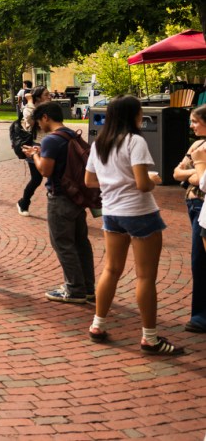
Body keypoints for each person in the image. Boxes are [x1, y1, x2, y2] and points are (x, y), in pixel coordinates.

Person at [85, 95, 182, 355]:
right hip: (139, 212)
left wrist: (115, 181)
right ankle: (150, 338)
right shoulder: (135, 141)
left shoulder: (100, 144)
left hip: (111, 212)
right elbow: (142, 184)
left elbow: (90, 181)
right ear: (133, 116)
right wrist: (153, 178)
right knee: (145, 276)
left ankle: (98, 324)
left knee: (111, 269)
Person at [28, 101, 95, 303]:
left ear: (46, 117)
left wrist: (35, 155)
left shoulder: (51, 140)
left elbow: (45, 171)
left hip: (60, 197)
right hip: (77, 196)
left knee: (63, 244)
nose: (39, 125)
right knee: (81, 242)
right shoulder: (71, 134)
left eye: (39, 121)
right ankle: (87, 286)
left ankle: (74, 289)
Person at [172, 104, 206, 333]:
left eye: (195, 121)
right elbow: (177, 172)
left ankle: (200, 317)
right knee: (198, 260)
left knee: (200, 259)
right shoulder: (197, 145)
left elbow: (202, 181)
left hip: (203, 205)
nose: (191, 125)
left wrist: (196, 173)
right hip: (194, 204)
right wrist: (195, 173)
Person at [17, 86, 52, 216]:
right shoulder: (29, 109)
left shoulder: (50, 109)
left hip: (51, 146)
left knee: (53, 177)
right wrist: (30, 102)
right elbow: (30, 121)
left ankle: (54, 208)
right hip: (35, 147)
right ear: (37, 97)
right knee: (36, 179)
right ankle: (24, 202)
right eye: (46, 95)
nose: (49, 96)